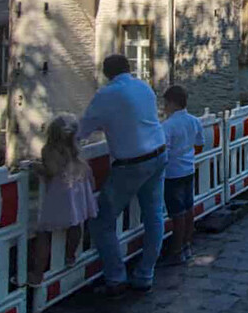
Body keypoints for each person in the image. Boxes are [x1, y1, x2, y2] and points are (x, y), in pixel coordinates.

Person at [79, 54, 167, 297]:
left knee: (102, 220)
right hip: (158, 154)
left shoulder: (106, 95)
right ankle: (145, 274)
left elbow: (83, 129)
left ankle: (116, 277)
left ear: (107, 73)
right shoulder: (144, 87)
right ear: (128, 68)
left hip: (132, 163)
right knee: (154, 215)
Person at [28, 114, 97, 286]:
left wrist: (35, 166)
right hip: (77, 191)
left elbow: (52, 171)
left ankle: (37, 274)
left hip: (60, 194)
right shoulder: (74, 149)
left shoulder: (49, 150)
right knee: (76, 224)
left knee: (44, 231)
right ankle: (70, 255)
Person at [160, 85, 204, 266]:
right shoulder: (194, 121)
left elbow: (164, 152)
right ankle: (187, 244)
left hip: (173, 173)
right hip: (188, 169)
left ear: (171, 103)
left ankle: (176, 249)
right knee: (188, 209)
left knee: (176, 213)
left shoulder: (168, 126)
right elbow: (200, 144)